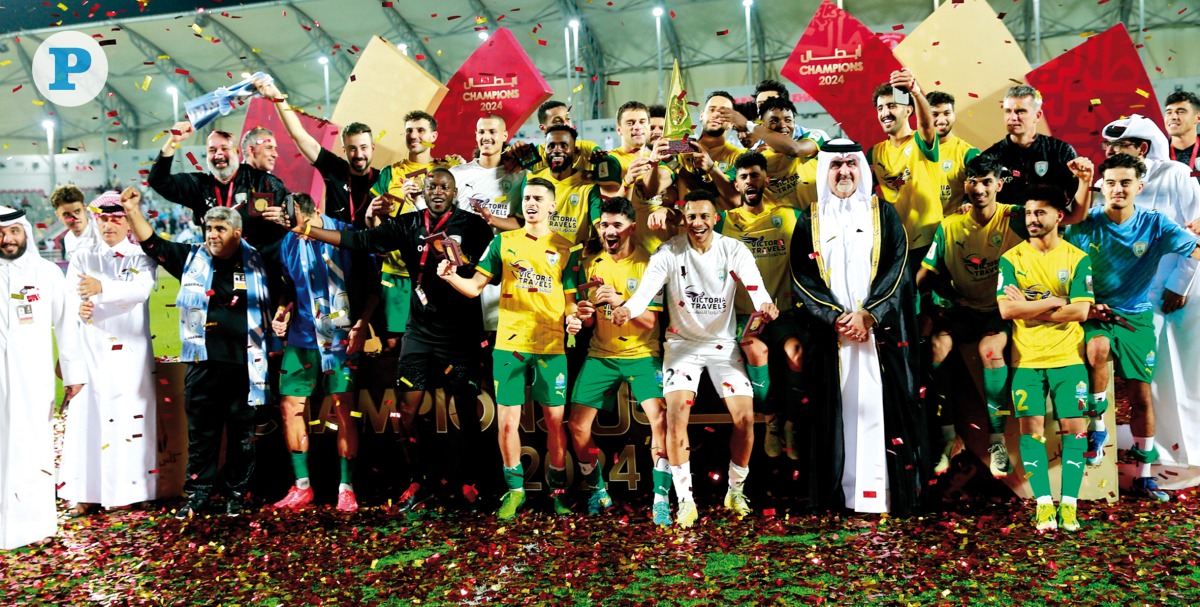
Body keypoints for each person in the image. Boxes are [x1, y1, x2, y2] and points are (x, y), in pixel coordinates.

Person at [294, 169, 493, 511]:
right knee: (406, 409)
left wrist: (460, 260)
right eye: (432, 186)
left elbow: (490, 264)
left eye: (444, 186)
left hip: (460, 334)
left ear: (455, 190)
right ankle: (421, 480)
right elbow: (360, 240)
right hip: (419, 334)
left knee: (465, 410)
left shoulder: (472, 225)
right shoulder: (409, 223)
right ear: (424, 191)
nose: (437, 191)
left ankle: (469, 483)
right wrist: (311, 229)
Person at [613, 190, 778, 528]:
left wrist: (765, 303)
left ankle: (735, 489)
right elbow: (644, 293)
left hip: (722, 346)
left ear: (716, 218)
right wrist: (627, 309)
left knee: (745, 418)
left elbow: (755, 286)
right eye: (692, 216)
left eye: (704, 216)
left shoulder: (733, 249)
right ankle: (685, 500)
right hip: (681, 345)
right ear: (683, 217)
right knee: (675, 416)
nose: (698, 223)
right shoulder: (669, 251)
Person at [789, 139, 925, 516]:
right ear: (825, 171)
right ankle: (841, 497)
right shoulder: (809, 220)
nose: (844, 172)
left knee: (878, 411)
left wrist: (869, 315)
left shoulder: (884, 214)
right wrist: (835, 318)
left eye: (851, 165)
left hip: (879, 337)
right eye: (836, 165)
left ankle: (882, 495)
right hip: (832, 338)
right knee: (838, 414)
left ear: (862, 170)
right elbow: (801, 278)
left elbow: (899, 271)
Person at [121, 188, 271, 519]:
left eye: (220, 229)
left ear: (236, 232)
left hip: (246, 365)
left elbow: (287, 292)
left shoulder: (260, 262)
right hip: (203, 364)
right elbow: (153, 244)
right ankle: (199, 493)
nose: (212, 236)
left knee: (242, 438)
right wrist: (132, 211)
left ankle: (235, 493)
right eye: (209, 229)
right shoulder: (191, 258)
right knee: (202, 436)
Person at [439, 177, 583, 519]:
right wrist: (450, 277)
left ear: (552, 206)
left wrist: (574, 319)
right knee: (506, 424)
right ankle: (515, 491)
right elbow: (474, 287)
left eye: (538, 198)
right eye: (527, 198)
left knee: (555, 423)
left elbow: (571, 301)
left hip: (551, 347)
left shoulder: (566, 247)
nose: (531, 203)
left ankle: (558, 491)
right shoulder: (502, 242)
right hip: (509, 345)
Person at [1064, 153, 1200, 502]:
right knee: (1097, 350)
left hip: (1137, 317)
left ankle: (1144, 474)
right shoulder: (1084, 224)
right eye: (1110, 182)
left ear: (1139, 186)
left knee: (1141, 398)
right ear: (1101, 187)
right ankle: (1097, 432)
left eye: (1125, 182)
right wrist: (1086, 304)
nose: (1117, 189)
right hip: (1096, 314)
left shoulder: (1156, 224)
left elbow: (1194, 250)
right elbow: (1060, 267)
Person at [1100, 115, 1200, 470]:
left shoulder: (1176, 174)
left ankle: (1187, 449)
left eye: (1119, 147)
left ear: (1142, 148)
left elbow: (1195, 233)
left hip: (1178, 294)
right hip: (1134, 296)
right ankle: (1156, 446)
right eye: (1108, 148)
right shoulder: (1109, 181)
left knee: (1179, 375)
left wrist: (1179, 284)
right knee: (1146, 377)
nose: (1111, 153)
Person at [916, 155, 1023, 478]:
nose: (979, 189)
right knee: (935, 349)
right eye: (973, 181)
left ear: (999, 185)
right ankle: (949, 438)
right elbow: (926, 271)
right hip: (963, 309)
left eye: (987, 182)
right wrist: (906, 296)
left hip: (999, 311)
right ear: (964, 184)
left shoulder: (1014, 218)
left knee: (990, 352)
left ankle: (996, 440)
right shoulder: (950, 226)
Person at [996, 186, 1094, 532]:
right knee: (1032, 431)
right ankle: (1042, 505)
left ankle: (1069, 505)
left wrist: (1031, 307)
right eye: (1027, 213)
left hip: (1069, 358)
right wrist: (1055, 301)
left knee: (1074, 430)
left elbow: (1081, 311)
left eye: (1039, 213)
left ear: (1059, 216)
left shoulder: (1077, 258)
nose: (1032, 220)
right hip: (1027, 359)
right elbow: (1007, 309)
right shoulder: (1012, 259)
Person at [568, 196, 670, 522]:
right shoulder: (592, 265)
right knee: (577, 426)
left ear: (631, 228)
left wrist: (622, 301)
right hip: (602, 354)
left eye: (617, 225)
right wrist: (580, 316)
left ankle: (661, 499)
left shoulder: (650, 264)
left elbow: (651, 323)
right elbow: (586, 320)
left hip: (642, 354)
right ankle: (598, 491)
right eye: (604, 225)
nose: (609, 231)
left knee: (661, 421)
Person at [59, 193, 158, 516]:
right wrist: (81, 307)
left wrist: (101, 290)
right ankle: (86, 492)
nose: (109, 225)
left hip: (131, 354)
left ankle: (134, 490)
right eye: (103, 219)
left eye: (116, 218)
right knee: (90, 421)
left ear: (128, 221)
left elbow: (141, 290)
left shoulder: (141, 255)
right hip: (93, 351)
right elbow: (70, 301)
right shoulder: (82, 257)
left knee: (131, 420)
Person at [268, 193, 367, 514]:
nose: (297, 232)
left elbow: (371, 285)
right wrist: (283, 309)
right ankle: (302, 487)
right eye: (291, 226)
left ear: (316, 213)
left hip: (339, 336)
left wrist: (363, 325)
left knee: (344, 409)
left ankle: (346, 488)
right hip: (302, 336)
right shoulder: (288, 242)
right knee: (290, 406)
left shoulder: (343, 235)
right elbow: (288, 284)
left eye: (300, 225)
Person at [0, 205, 84, 549]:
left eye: (13, 232)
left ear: (25, 233)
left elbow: (67, 325)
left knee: (33, 449)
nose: (6, 240)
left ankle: (35, 526)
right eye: (1, 234)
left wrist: (73, 373)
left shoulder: (46, 273)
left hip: (32, 379)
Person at [717, 152, 806, 459]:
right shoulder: (726, 221)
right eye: (743, 177)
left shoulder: (789, 216)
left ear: (766, 180)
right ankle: (772, 422)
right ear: (737, 184)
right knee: (757, 350)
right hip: (745, 315)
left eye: (755, 175)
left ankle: (793, 422)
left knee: (796, 351)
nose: (750, 181)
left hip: (782, 312)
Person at [367, 110, 461, 350]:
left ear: (434, 136)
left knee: (436, 343)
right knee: (392, 343)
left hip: (434, 271)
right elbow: (376, 224)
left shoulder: (450, 171)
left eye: (420, 130)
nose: (414, 135)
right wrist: (372, 216)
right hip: (397, 271)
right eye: (409, 130)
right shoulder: (389, 173)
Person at [253, 78, 380, 230]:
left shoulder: (384, 179)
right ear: (344, 150)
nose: (359, 154)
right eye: (352, 148)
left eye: (363, 147)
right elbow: (299, 136)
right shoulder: (334, 168)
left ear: (373, 147)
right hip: (335, 248)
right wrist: (276, 96)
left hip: (369, 249)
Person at [148, 121, 290, 256]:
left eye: (224, 148)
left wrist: (288, 218)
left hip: (258, 272)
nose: (218, 154)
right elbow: (157, 180)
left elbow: (298, 216)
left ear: (236, 153)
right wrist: (173, 141)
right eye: (212, 150)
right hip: (219, 272)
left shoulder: (263, 182)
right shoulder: (198, 185)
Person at [450, 114, 525, 332]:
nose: (486, 137)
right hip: (465, 268)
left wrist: (491, 219)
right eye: (482, 132)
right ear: (476, 136)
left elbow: (523, 223)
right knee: (466, 336)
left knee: (497, 336)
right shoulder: (457, 174)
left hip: (504, 269)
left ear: (504, 136)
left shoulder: (520, 175)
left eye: (492, 132)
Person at [867, 68, 947, 270]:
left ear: (908, 110)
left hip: (931, 241)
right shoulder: (874, 153)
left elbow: (927, 124)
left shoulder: (921, 141)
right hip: (897, 243)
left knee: (931, 301)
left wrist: (915, 92)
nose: (885, 113)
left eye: (892, 106)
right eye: (880, 108)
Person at [981, 85, 1093, 209]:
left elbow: (1075, 207)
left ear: (1038, 115)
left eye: (1020, 111)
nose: (1012, 117)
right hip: (1003, 226)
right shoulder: (989, 157)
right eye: (1008, 111)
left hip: (1052, 227)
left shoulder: (1061, 152)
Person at [514, 125, 620, 245]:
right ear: (545, 152)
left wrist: (603, 238)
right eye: (551, 146)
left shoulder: (588, 185)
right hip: (537, 259)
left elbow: (598, 223)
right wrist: (490, 219)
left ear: (575, 154)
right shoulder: (530, 179)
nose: (557, 150)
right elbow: (520, 221)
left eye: (564, 146)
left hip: (575, 259)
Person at [716, 97, 820, 210]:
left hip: (817, 223)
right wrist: (709, 167)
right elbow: (723, 188)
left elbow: (795, 149)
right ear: (763, 126)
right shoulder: (754, 159)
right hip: (781, 225)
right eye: (774, 121)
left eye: (788, 120)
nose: (783, 125)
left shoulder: (813, 138)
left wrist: (748, 125)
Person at [925, 91, 981, 214]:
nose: (941, 120)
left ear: (954, 115)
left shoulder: (968, 153)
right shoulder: (912, 149)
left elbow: (981, 189)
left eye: (946, 113)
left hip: (952, 228)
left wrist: (967, 203)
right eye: (934, 114)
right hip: (915, 229)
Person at [51, 184, 96, 260]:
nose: (74, 218)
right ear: (58, 215)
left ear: (84, 209)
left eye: (77, 211)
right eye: (66, 214)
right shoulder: (68, 238)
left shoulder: (100, 231)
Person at [1164, 91, 1200, 184]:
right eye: (1169, 112)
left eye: (1181, 112)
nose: (1173, 117)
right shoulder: (1158, 155)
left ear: (1198, 118)